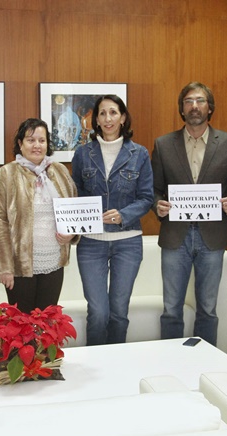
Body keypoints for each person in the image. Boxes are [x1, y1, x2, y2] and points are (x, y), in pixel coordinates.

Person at [151, 81, 227, 345]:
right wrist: (158, 205)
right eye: (188, 101)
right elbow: (154, 190)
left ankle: (205, 364)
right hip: (175, 236)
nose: (194, 106)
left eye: (200, 100)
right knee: (171, 309)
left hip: (212, 237)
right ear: (182, 109)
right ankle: (172, 363)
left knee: (207, 310)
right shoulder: (163, 145)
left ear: (210, 108)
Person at [71, 95, 153, 345]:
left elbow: (146, 197)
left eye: (113, 112)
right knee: (98, 313)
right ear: (96, 119)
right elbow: (75, 194)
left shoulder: (139, 153)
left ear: (123, 117)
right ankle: (94, 363)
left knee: (119, 313)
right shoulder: (82, 154)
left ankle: (116, 363)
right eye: (102, 113)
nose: (108, 118)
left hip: (128, 242)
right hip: (91, 243)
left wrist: (123, 215)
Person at [0, 118, 77, 313]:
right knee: (22, 324)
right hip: (19, 266)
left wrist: (72, 233)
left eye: (42, 140)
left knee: (47, 322)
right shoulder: (6, 173)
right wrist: (4, 267)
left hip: (54, 261)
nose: (37, 145)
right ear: (20, 144)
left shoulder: (60, 171)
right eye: (30, 140)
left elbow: (73, 210)